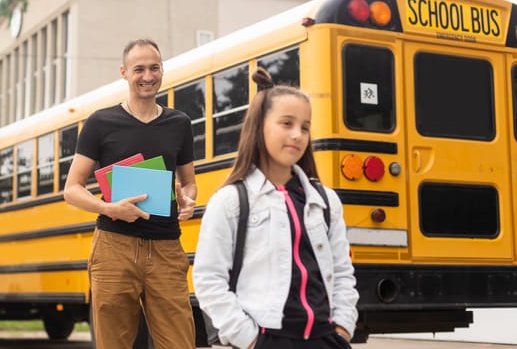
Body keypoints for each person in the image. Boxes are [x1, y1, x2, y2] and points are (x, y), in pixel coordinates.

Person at [192, 67, 359, 349]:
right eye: (286, 123)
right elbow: (208, 280)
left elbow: (343, 271)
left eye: (305, 127)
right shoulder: (231, 201)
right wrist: (250, 339)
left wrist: (342, 328)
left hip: (324, 338)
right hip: (267, 339)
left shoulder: (325, 200)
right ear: (259, 127)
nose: (297, 134)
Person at [64, 38, 197, 349]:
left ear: (162, 70)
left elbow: (188, 182)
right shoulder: (101, 122)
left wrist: (189, 198)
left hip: (166, 249)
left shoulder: (179, 123)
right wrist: (110, 208)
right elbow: (72, 189)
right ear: (124, 73)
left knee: (180, 343)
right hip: (114, 248)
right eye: (139, 69)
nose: (147, 76)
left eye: (154, 68)